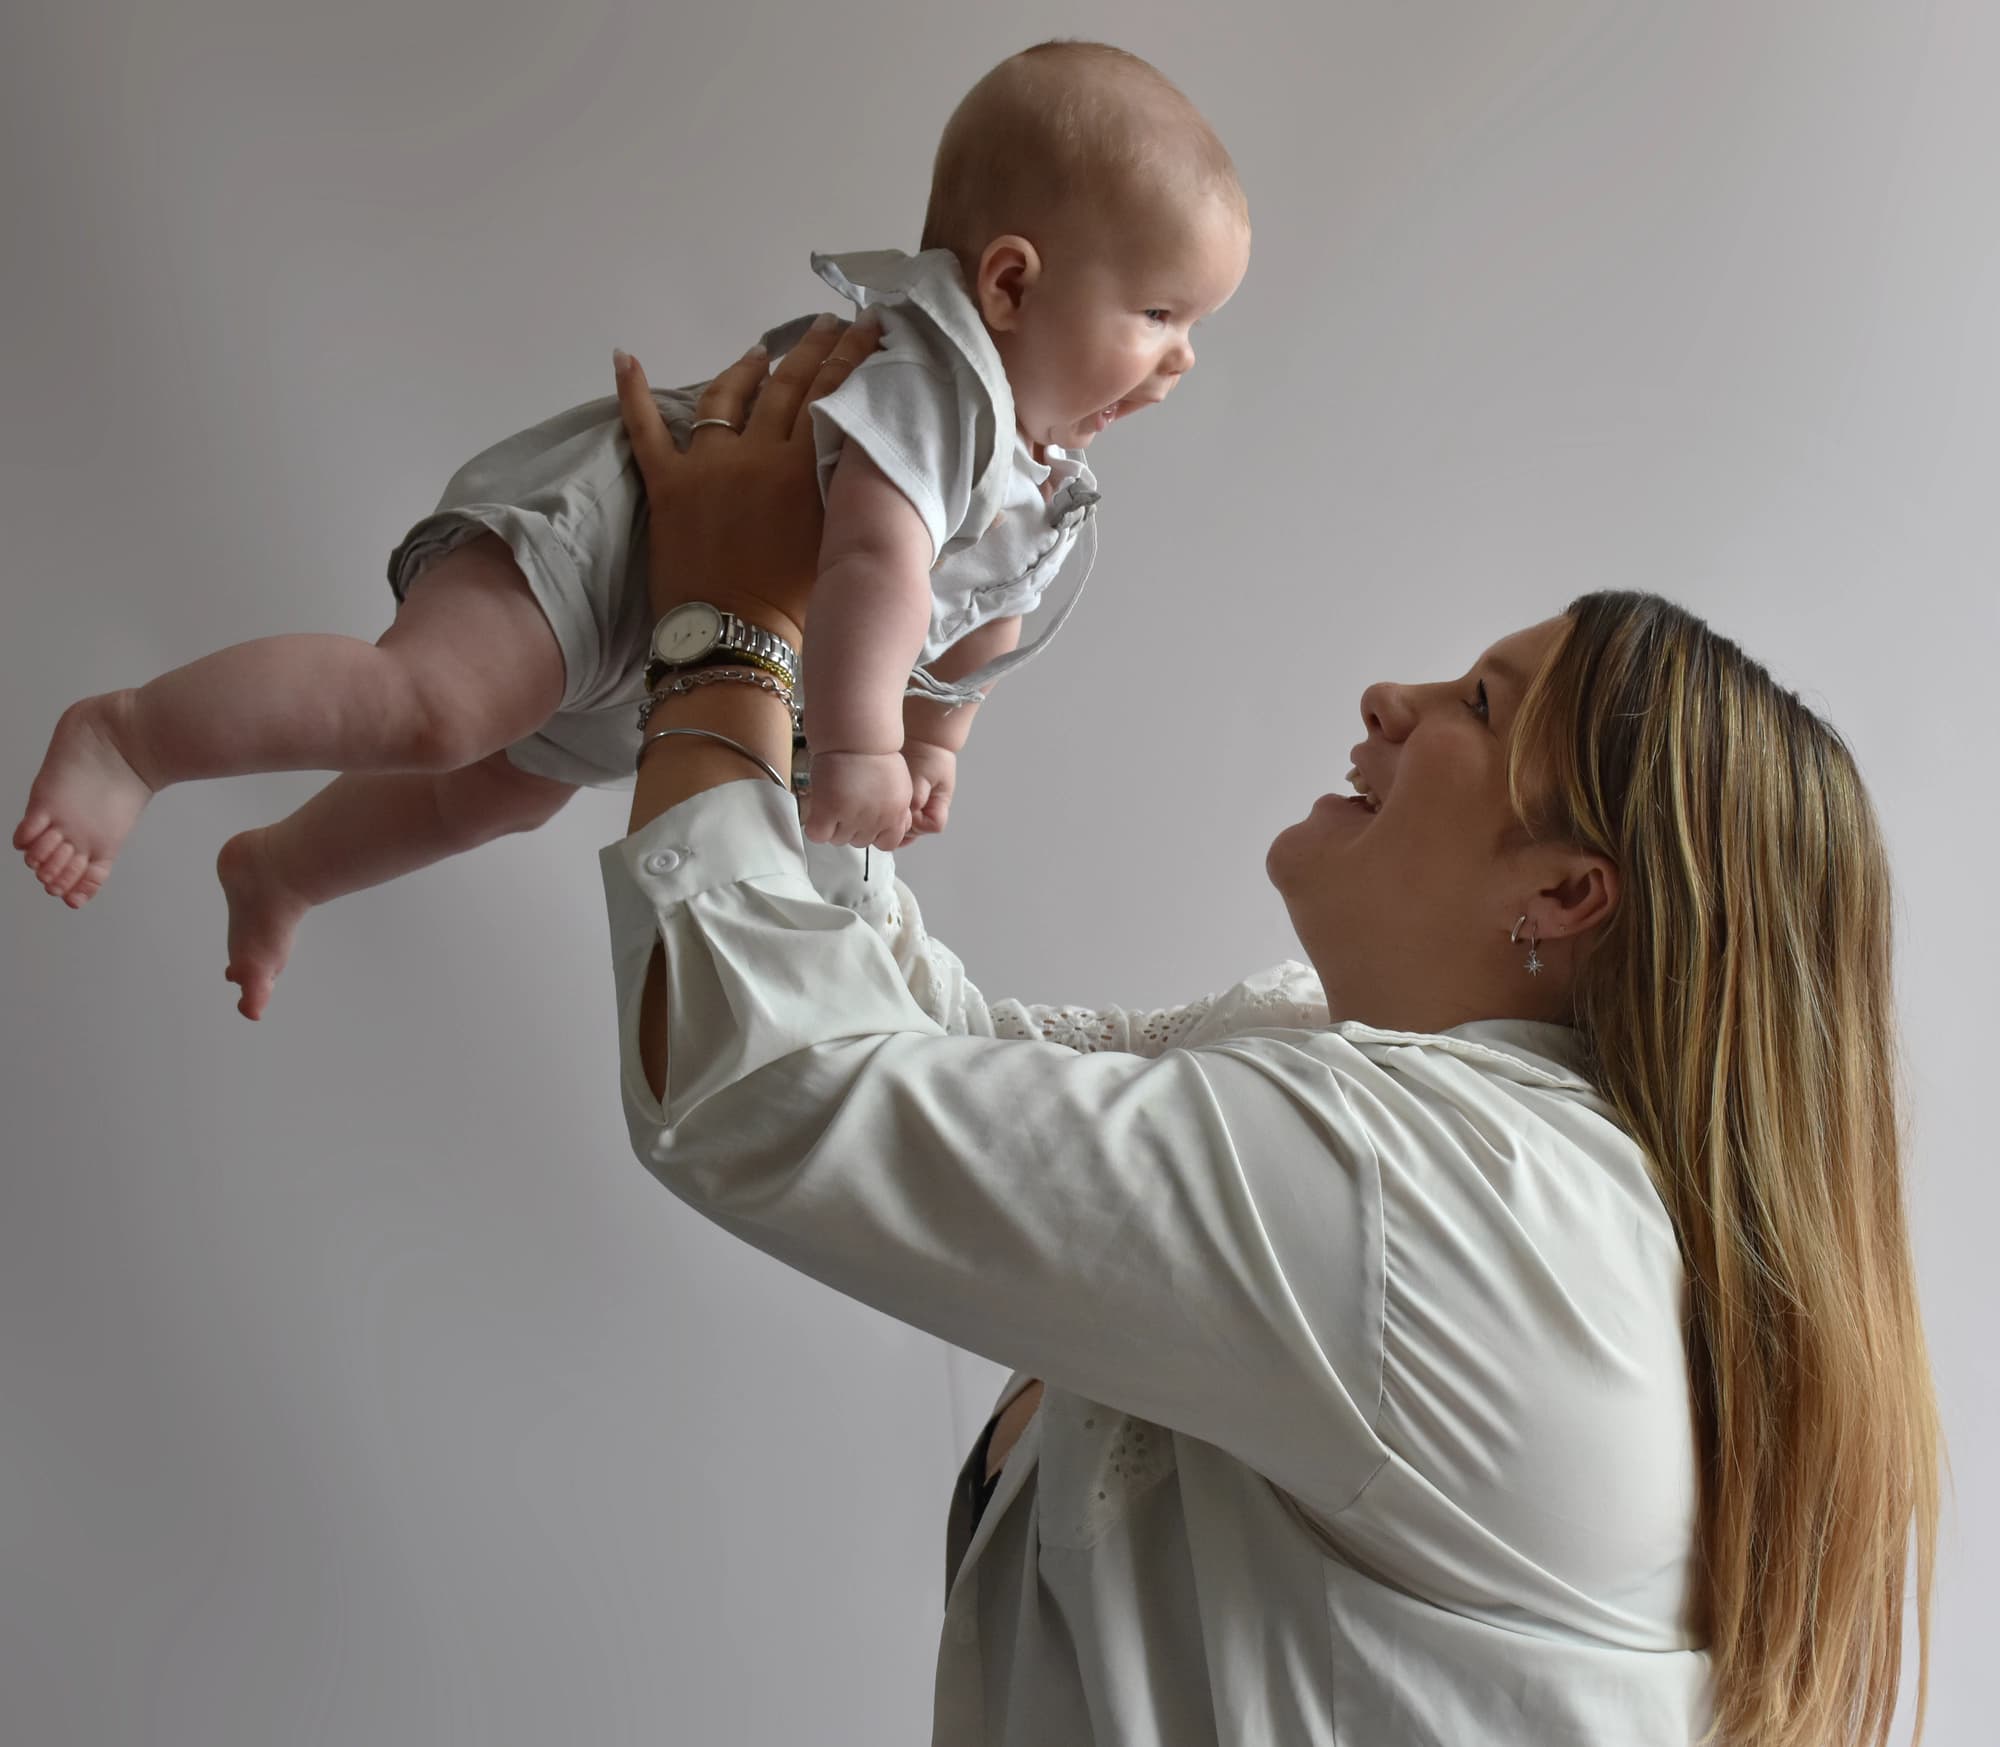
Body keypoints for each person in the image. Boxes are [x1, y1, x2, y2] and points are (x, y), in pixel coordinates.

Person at [598, 314, 1941, 1747]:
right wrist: (860, 689)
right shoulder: (1388, 1103)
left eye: (1475, 704)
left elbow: (768, 1085)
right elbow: (942, 1054)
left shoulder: (1436, 1206)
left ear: (1565, 888)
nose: (1391, 698)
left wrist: (729, 632)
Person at [10, 39, 1250, 1020]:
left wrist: (942, 741)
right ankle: (132, 736)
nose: (1180, 358)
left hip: (691, 632)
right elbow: (876, 558)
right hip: (623, 540)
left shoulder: (1034, 459)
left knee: (490, 792)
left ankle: (283, 866)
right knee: (437, 708)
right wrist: (872, 749)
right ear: (1011, 284)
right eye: (1156, 312)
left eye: (1192, 327)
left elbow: (985, 613)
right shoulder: (939, 380)